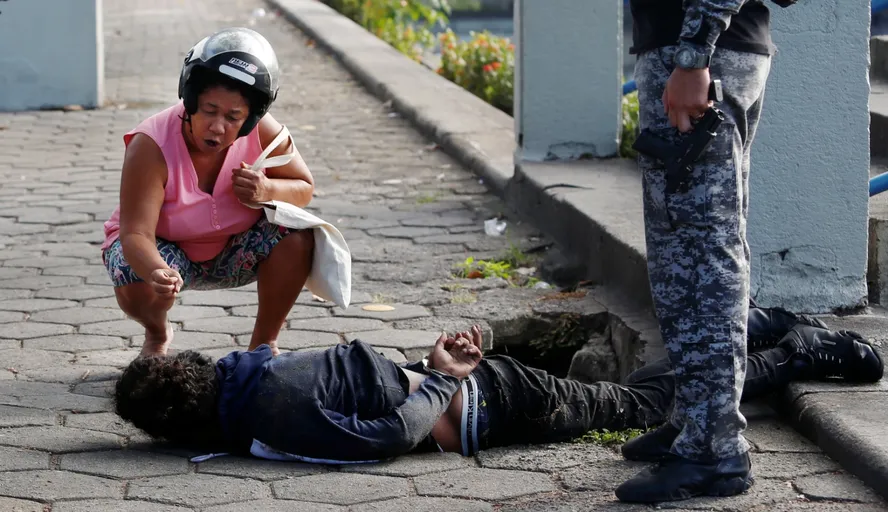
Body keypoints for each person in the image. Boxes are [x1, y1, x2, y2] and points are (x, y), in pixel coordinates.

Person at [113, 303, 882, 471]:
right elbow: (378, 400)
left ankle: (799, 352)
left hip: (494, 401)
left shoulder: (265, 413)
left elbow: (388, 435)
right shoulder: (255, 378)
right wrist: (433, 370)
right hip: (486, 393)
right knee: (635, 399)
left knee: (645, 406)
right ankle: (747, 326)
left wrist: (440, 375)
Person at [625, 0, 799, 502]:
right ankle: (694, 420)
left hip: (702, 54)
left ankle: (714, 449)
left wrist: (694, 54)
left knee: (704, 256)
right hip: (693, 48)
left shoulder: (697, 55)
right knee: (684, 254)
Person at [100, 27, 315, 358]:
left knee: (300, 234)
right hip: (166, 251)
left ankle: (263, 344)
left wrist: (267, 188)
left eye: (233, 117)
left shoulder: (265, 133)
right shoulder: (150, 144)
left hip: (236, 248)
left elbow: (304, 188)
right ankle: (156, 333)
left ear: (251, 118)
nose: (218, 126)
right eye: (210, 110)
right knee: (133, 274)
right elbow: (136, 233)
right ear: (190, 99)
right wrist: (156, 270)